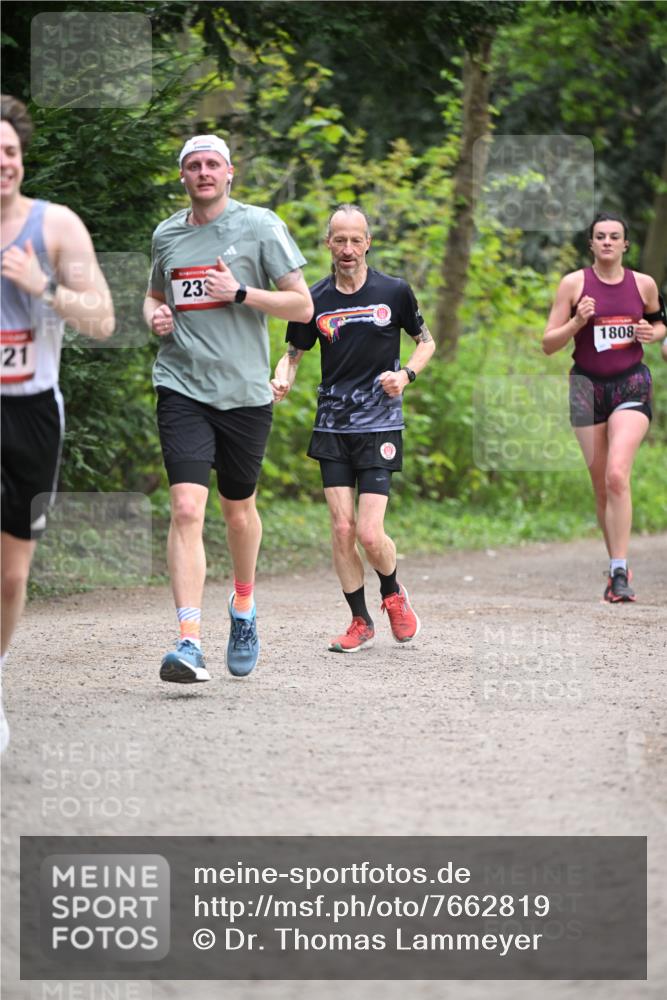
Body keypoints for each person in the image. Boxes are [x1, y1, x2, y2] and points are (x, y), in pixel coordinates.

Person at [144, 134, 313, 683]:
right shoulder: (166, 235)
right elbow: (154, 294)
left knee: (238, 510)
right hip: (181, 384)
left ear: (230, 172)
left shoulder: (260, 226)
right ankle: (189, 640)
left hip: (243, 393)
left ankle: (243, 607)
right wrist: (155, 316)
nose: (203, 172)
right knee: (187, 508)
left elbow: (303, 305)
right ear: (183, 177)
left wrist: (241, 292)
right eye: (193, 165)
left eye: (212, 164)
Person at [1, 95, 115, 750]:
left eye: (10, 152)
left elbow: (101, 319)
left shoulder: (55, 227)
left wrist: (40, 285)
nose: (3, 164)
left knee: (12, 574)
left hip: (33, 411)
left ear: (22, 157)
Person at [272, 204, 435, 652]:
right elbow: (293, 354)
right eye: (338, 240)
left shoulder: (394, 291)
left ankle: (393, 593)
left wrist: (405, 377)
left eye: (355, 239)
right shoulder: (314, 299)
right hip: (332, 426)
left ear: (368, 243)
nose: (347, 248)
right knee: (341, 530)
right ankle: (360, 620)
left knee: (368, 532)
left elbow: (426, 342)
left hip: (380, 423)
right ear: (328, 243)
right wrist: (282, 377)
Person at [543, 212, 666, 602]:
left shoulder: (643, 284)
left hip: (630, 383)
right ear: (592, 244)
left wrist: (653, 332)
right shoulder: (574, 284)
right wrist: (578, 321)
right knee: (601, 486)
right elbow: (548, 344)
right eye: (601, 236)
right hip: (585, 388)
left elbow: (659, 323)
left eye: (615, 236)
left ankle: (618, 572)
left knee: (616, 474)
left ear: (626, 244)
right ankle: (617, 565)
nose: (609, 242)